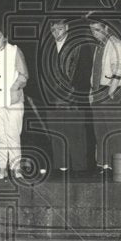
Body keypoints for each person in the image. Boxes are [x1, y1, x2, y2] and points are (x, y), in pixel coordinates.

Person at [35, 18, 92, 176]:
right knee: (56, 135)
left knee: (76, 135)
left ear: (66, 27)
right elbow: (43, 73)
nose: (56, 33)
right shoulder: (47, 47)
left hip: (73, 100)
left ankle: (80, 170)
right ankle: (61, 169)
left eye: (59, 29)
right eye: (53, 30)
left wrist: (72, 95)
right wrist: (48, 98)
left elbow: (85, 73)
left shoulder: (79, 46)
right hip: (52, 100)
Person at [0, 24, 29, 180]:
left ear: (5, 37)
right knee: (0, 136)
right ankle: (2, 168)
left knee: (13, 135)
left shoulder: (14, 50)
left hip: (14, 100)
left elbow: (24, 75)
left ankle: (17, 168)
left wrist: (14, 88)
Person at [88, 18, 121, 176]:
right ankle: (103, 164)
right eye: (92, 30)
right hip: (97, 90)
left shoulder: (115, 43)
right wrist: (91, 91)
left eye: (97, 29)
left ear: (106, 27)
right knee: (101, 130)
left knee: (115, 130)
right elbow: (95, 70)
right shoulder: (99, 46)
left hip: (111, 90)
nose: (95, 33)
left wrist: (112, 90)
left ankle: (116, 167)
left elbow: (120, 66)